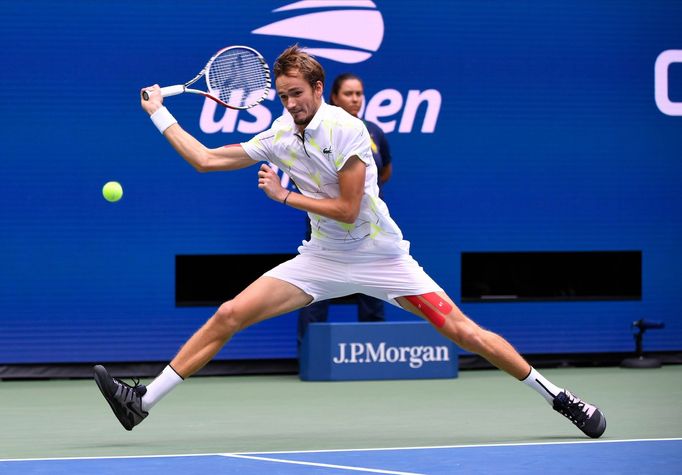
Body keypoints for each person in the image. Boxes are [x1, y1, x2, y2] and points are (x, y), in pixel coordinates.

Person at [93, 45, 606, 438]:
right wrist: (159, 114)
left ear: (318, 89)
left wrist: (284, 198)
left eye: (297, 94)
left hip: (380, 256)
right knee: (229, 313)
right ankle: (141, 403)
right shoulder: (280, 135)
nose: (290, 103)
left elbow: (347, 208)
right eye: (283, 95)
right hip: (322, 258)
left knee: (463, 331)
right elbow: (206, 160)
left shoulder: (349, 132)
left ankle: (559, 398)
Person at [297, 73, 392, 347]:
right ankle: (310, 355)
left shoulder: (373, 131)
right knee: (316, 289)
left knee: (373, 290)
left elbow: (383, 170)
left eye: (359, 94)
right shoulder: (317, 131)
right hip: (327, 225)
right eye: (348, 94)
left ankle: (375, 354)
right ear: (334, 97)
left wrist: (356, 195)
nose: (355, 99)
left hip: (369, 228)